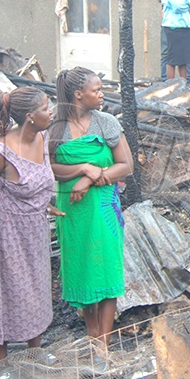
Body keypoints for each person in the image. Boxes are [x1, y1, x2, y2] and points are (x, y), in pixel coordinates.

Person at [0, 87, 60, 365]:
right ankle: (2, 361)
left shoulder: (42, 138)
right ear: (29, 117)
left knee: (36, 287)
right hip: (4, 231)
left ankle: (36, 350)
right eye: (44, 107)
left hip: (33, 228)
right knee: (3, 289)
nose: (50, 111)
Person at [49, 67, 135, 347]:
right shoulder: (55, 127)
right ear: (78, 94)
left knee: (107, 267)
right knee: (82, 267)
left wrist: (89, 178)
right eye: (97, 90)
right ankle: (91, 333)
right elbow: (48, 167)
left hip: (104, 207)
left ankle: (104, 343)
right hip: (72, 211)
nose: (102, 94)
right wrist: (83, 166)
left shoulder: (106, 122)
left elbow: (125, 166)